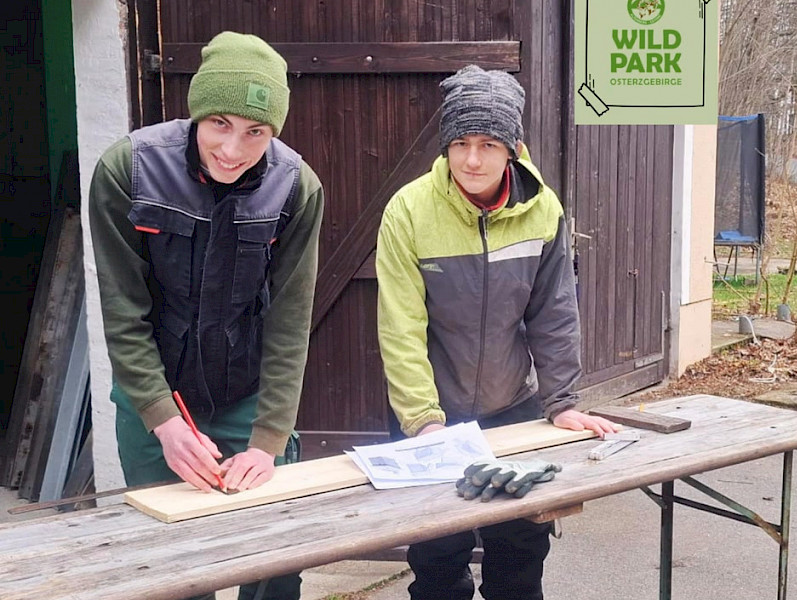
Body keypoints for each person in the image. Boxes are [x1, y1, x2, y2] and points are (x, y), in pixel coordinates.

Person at [89, 31, 323, 600]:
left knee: (273, 559)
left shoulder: (296, 188)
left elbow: (290, 321)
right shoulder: (128, 171)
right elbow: (123, 311)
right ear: (196, 113)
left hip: (246, 395)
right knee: (172, 566)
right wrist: (163, 420)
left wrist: (268, 439)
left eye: (256, 132)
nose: (233, 149)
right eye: (220, 123)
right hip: (155, 396)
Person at [375, 65, 619, 600]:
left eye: (488, 144)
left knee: (520, 556)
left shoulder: (542, 209)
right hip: (432, 414)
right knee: (437, 559)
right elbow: (400, 325)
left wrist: (561, 402)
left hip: (513, 409)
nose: (472, 160)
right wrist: (423, 421)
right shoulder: (409, 210)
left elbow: (555, 312)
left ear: (513, 147)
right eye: (459, 143)